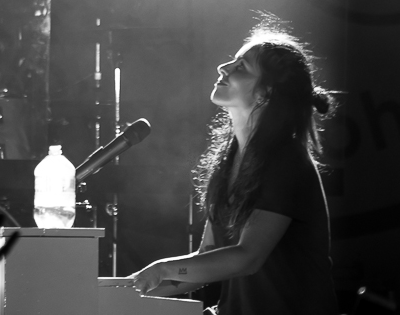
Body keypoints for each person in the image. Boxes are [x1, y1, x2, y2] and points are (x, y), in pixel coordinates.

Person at [131, 19, 339, 315]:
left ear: (265, 92)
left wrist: (163, 268)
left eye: (241, 67)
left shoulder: (285, 160)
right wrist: (126, 290)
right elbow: (206, 261)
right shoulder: (227, 161)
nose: (223, 67)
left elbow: (247, 258)